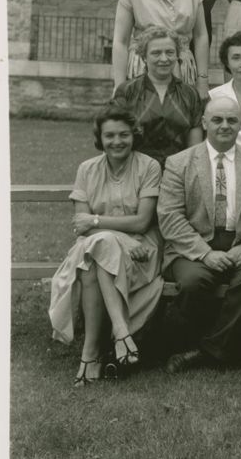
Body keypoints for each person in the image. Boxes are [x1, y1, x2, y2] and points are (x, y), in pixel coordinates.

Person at [48, 105, 164, 385]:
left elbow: (142, 222)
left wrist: (99, 222)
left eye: (124, 134)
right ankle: (121, 333)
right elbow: (80, 225)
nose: (117, 141)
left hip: (141, 252)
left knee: (95, 258)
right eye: (109, 135)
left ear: (134, 136)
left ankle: (90, 355)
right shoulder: (87, 169)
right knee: (99, 251)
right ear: (100, 137)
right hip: (100, 247)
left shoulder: (149, 166)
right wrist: (117, 235)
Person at [158, 97, 241, 374]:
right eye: (217, 120)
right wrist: (205, 253)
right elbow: (170, 217)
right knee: (194, 281)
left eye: (232, 120)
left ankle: (208, 350)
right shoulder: (179, 163)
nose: (225, 126)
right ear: (204, 122)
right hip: (194, 244)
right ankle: (184, 343)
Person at [111, 26, 203, 168]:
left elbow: (195, 150)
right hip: (137, 174)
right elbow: (115, 139)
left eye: (170, 52)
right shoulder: (127, 91)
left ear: (177, 55)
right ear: (144, 57)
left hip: (178, 175)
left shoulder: (190, 94)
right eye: (156, 53)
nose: (164, 58)